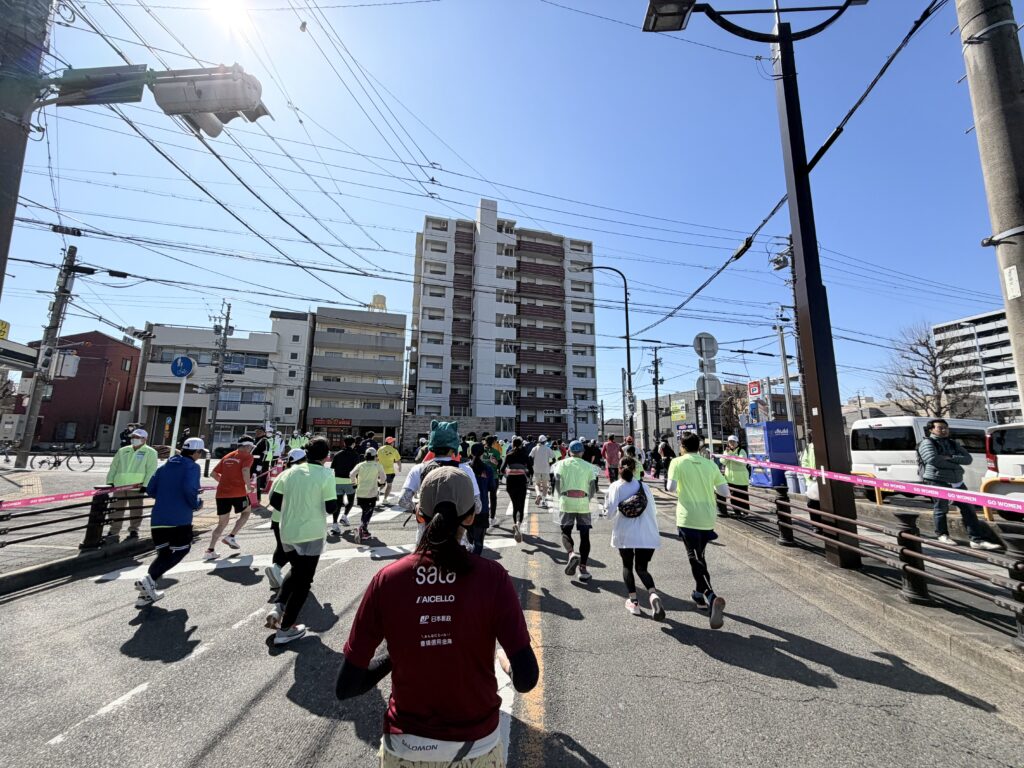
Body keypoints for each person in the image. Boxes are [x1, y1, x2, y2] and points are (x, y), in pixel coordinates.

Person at [336, 467, 538, 767]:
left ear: (420, 514)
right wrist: (505, 663)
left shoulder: (388, 579)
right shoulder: (492, 577)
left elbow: (347, 686)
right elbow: (526, 679)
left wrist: (396, 655)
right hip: (476, 745)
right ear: (470, 517)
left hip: (405, 744)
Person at [265, 437, 336, 645]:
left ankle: (278, 606)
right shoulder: (325, 474)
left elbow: (274, 500)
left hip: (287, 531)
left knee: (296, 571)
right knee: (305, 581)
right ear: (326, 456)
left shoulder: (290, 472)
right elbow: (331, 506)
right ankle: (286, 629)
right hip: (312, 533)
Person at [667, 433, 730, 629]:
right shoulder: (710, 464)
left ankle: (711, 596)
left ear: (682, 446)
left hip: (688, 517)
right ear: (699, 447)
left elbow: (670, 487)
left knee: (694, 558)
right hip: (708, 517)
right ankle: (697, 594)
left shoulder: (677, 462)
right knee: (699, 556)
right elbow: (724, 492)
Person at [134, 437, 206, 608]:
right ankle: (149, 579)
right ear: (196, 452)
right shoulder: (192, 467)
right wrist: (196, 504)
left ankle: (146, 595)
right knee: (182, 549)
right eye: (200, 453)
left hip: (158, 518)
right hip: (179, 518)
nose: (200, 456)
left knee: (164, 554)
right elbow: (189, 489)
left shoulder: (165, 465)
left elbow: (151, 489)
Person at [918, 419, 1001, 550]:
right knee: (941, 508)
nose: (944, 430)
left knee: (969, 509)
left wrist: (950, 457)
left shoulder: (953, 443)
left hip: (957, 481)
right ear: (931, 430)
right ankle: (942, 534)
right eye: (940, 428)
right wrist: (956, 464)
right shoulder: (927, 443)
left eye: (946, 428)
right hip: (937, 479)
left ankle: (976, 540)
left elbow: (968, 459)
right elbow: (933, 459)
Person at [605, 455, 664, 619]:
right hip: (646, 534)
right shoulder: (644, 486)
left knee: (627, 566)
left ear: (619, 469)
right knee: (642, 569)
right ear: (635, 469)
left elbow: (609, 514)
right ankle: (652, 594)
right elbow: (654, 510)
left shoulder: (616, 486)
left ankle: (634, 603)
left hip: (625, 534)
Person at [396, 421, 481, 524]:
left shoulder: (419, 469)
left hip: (426, 533)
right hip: (457, 535)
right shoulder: (465, 470)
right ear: (454, 445)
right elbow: (477, 507)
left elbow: (403, 500)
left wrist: (418, 508)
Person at [552, 440, 598, 582]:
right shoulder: (589, 467)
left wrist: (561, 496)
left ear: (569, 451)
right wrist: (587, 498)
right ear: (582, 452)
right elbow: (592, 487)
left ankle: (571, 554)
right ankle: (583, 568)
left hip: (566, 501)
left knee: (566, 531)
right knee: (585, 535)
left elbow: (557, 483)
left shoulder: (561, 464)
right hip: (583, 502)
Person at [205, 435, 256, 561]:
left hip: (221, 494)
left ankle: (210, 550)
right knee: (246, 512)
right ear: (248, 446)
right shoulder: (247, 456)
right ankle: (231, 536)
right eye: (251, 447)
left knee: (222, 523)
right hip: (238, 492)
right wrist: (248, 487)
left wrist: (224, 482)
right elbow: (245, 470)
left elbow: (213, 473)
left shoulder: (228, 456)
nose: (251, 450)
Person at [265, 448, 307, 591]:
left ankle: (275, 573)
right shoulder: (299, 476)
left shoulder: (283, 474)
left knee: (282, 546)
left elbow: (272, 496)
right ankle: (285, 573)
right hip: (291, 520)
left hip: (277, 519)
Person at [106, 427, 159, 539]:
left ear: (144, 439)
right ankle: (113, 531)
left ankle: (134, 530)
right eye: (133, 437)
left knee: (135, 509)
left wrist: (145, 485)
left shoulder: (150, 452)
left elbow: (151, 470)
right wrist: (110, 481)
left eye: (137, 437)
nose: (134, 439)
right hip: (119, 484)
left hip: (137, 486)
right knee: (116, 509)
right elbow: (114, 467)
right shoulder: (123, 450)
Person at [466, 443, 497, 555]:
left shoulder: (466, 468)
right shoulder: (487, 469)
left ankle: (469, 562)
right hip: (482, 508)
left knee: (468, 540)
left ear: (470, 453)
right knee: (478, 541)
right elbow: (492, 488)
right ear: (483, 453)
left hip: (466, 509)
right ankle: (476, 563)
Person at [500, 437, 532, 544]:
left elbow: (501, 469)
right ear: (521, 444)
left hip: (511, 482)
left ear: (512, 444)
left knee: (515, 505)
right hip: (521, 482)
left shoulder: (509, 455)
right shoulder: (524, 455)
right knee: (520, 505)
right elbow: (530, 470)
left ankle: (516, 525)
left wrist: (508, 474)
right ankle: (518, 524)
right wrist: (526, 474)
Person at [351, 447, 386, 542]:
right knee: (369, 512)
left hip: (360, 492)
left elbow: (351, 474)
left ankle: (364, 531)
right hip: (371, 492)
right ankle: (361, 528)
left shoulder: (360, 465)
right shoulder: (377, 465)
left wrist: (354, 484)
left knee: (364, 510)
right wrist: (380, 483)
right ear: (375, 456)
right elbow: (383, 477)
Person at [329, 435, 360, 533]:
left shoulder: (338, 454)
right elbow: (357, 471)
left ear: (344, 443)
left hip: (337, 481)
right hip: (350, 481)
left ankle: (334, 524)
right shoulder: (356, 455)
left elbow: (332, 468)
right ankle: (345, 516)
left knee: (338, 503)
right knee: (350, 501)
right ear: (353, 444)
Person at [718, 435, 750, 517]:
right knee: (733, 497)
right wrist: (728, 455)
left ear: (737, 443)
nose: (731, 443)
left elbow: (743, 462)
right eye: (730, 442)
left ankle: (745, 513)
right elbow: (722, 461)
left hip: (741, 479)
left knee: (743, 496)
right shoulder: (727, 451)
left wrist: (730, 456)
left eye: (733, 442)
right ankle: (737, 512)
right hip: (730, 479)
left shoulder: (741, 451)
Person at [530, 434, 555, 508]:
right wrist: (550, 464)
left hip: (536, 468)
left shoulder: (534, 448)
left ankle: (538, 495)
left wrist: (533, 464)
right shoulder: (548, 449)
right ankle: (543, 501)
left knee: (537, 484)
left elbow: (530, 457)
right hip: (545, 469)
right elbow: (554, 458)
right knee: (545, 486)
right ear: (545, 441)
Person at [377, 437, 403, 506]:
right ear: (391, 443)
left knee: (382, 483)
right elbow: (398, 460)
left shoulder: (380, 449)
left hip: (380, 470)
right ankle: (385, 499)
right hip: (389, 471)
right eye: (393, 442)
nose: (393, 443)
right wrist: (399, 468)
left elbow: (376, 459)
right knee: (389, 485)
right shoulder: (394, 450)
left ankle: (378, 490)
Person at [251, 426, 272, 502]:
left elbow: (265, 454)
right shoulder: (254, 440)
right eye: (256, 431)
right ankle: (250, 496)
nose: (257, 433)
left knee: (257, 480)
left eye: (259, 431)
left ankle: (257, 497)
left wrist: (260, 464)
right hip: (251, 463)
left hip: (258, 463)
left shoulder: (264, 441)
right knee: (251, 480)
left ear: (263, 432)